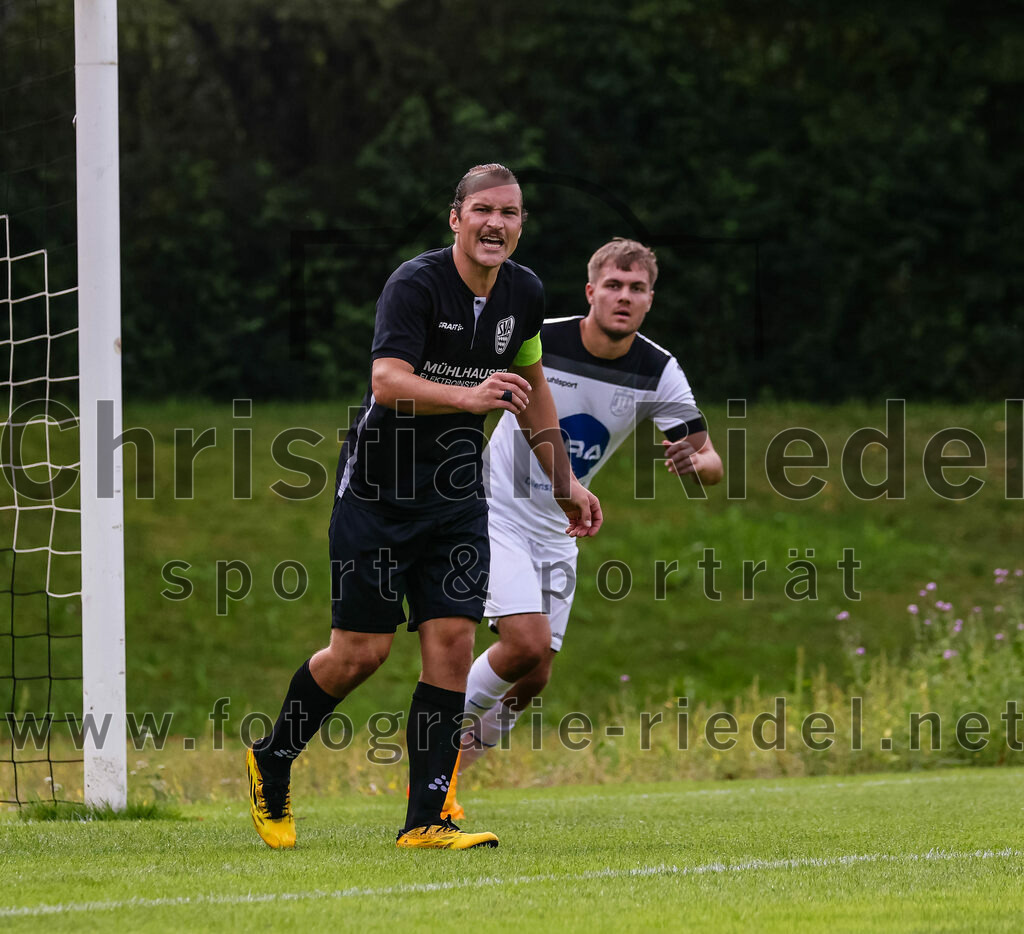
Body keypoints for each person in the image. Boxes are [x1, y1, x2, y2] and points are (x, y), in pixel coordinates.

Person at [245, 164, 602, 851]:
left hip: (458, 498)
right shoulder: (416, 284)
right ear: (456, 218)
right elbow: (387, 381)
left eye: (511, 213)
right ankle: (274, 757)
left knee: (452, 644)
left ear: (521, 224)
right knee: (360, 654)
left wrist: (566, 483)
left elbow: (531, 389)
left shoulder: (523, 293)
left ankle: (426, 821)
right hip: (379, 495)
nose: (497, 223)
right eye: (484, 210)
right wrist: (467, 398)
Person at [447, 238, 722, 817]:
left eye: (637, 289)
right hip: (491, 507)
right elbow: (464, 384)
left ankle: (450, 775)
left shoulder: (657, 370)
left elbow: (710, 463)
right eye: (614, 286)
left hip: (559, 526)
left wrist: (696, 465)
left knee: (535, 674)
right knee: (521, 642)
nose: (624, 298)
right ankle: (429, 762)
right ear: (591, 291)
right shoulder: (537, 336)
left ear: (650, 299)